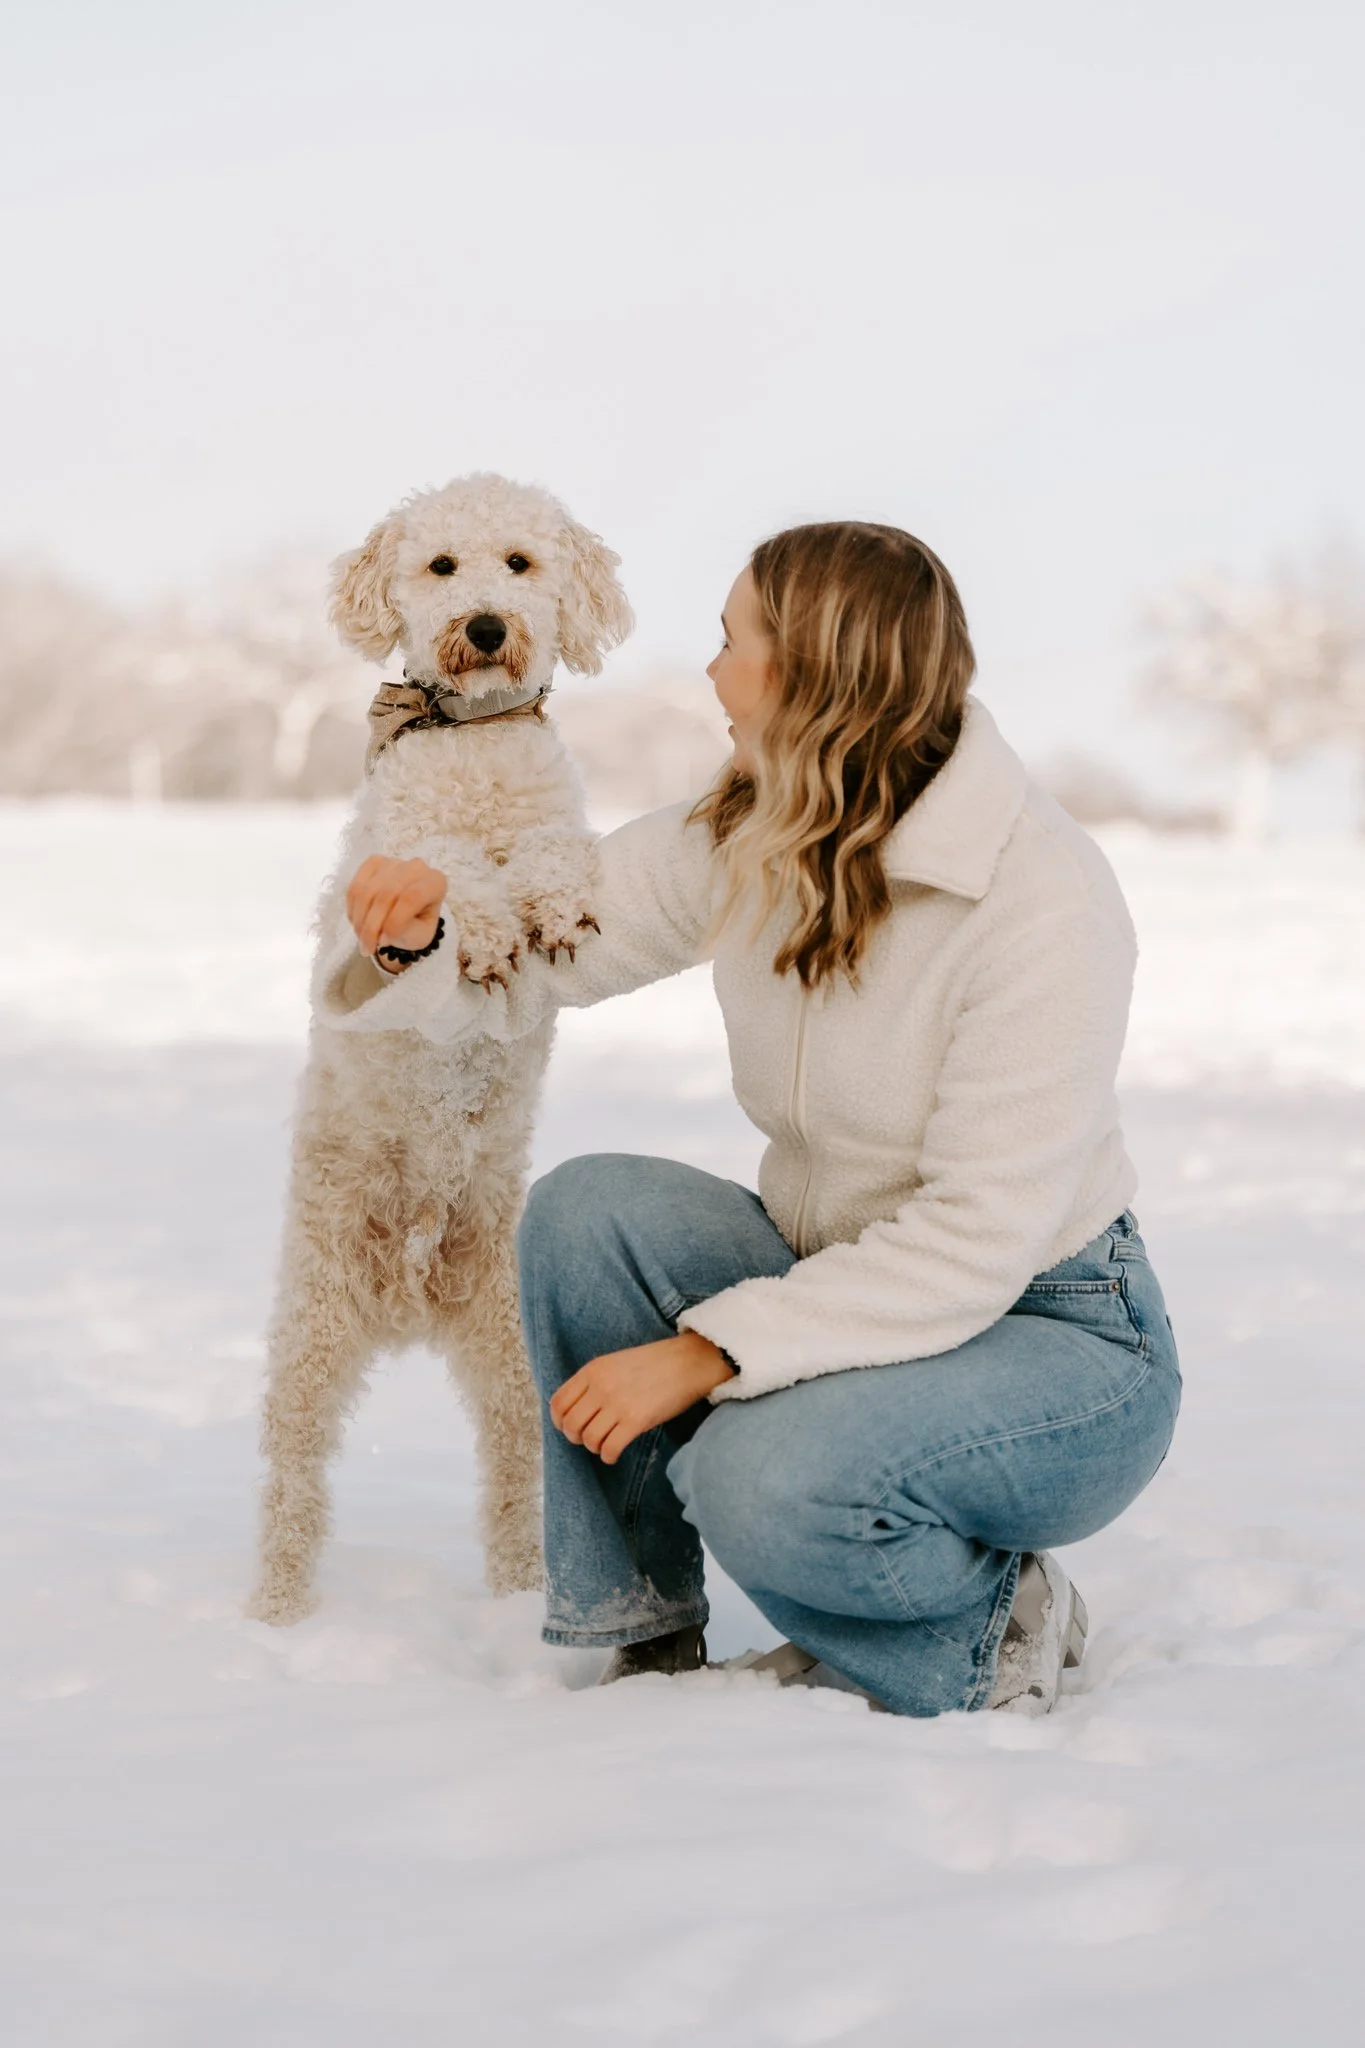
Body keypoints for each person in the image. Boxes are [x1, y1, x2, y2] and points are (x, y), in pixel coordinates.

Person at [331, 521, 1181, 1717]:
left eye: (733, 642)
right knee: (590, 1213)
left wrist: (706, 1353)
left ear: (815, 669)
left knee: (756, 1471)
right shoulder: (758, 825)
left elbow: (980, 1236)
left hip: (1056, 1332)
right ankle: (642, 1639)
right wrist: (424, 925)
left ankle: (993, 1624)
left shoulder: (1039, 896)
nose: (714, 673)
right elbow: (556, 929)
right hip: (847, 1272)